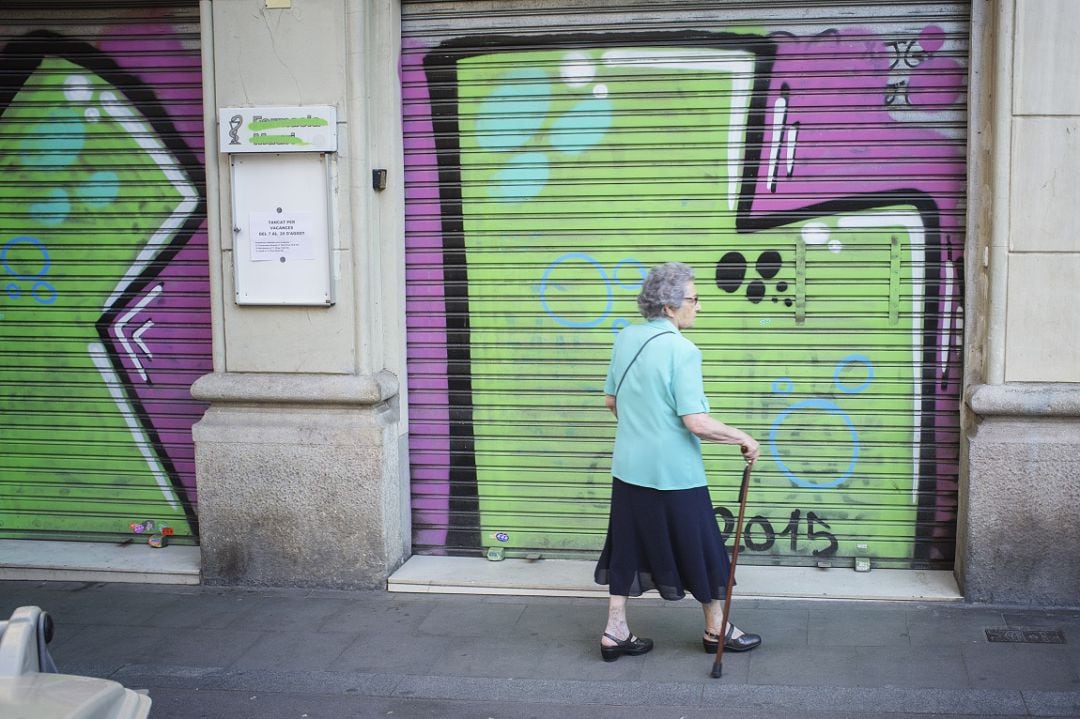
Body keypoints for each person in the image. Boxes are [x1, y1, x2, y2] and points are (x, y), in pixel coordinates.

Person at [594, 261, 762, 662]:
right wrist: (743, 437)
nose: (699, 307)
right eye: (694, 299)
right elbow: (696, 422)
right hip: (674, 474)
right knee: (701, 545)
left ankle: (615, 631)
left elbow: (611, 401)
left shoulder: (626, 338)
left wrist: (642, 428)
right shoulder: (683, 351)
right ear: (669, 307)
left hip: (629, 468)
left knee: (627, 545)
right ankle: (715, 629)